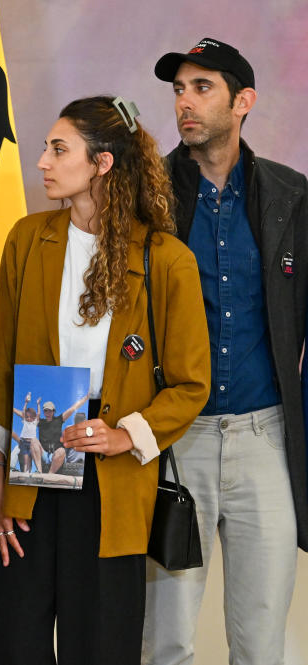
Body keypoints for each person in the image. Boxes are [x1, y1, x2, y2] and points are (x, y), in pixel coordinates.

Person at [0, 96, 210, 665]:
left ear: (102, 162)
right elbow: (2, 365)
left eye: (59, 149)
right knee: (15, 641)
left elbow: (190, 385)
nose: (43, 161)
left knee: (101, 642)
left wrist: (126, 433)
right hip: (32, 466)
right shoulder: (27, 240)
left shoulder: (168, 260)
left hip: (114, 481)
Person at [144, 38, 308, 665]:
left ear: (244, 101)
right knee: (167, 640)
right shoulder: (146, 195)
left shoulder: (290, 196)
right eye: (178, 89)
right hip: (174, 442)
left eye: (201, 87)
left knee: (262, 642)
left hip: (266, 441)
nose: (184, 102)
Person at [35, 396, 86, 474]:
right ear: (43, 412)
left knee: (62, 450)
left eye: (50, 411)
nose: (48, 413)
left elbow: (73, 408)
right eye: (46, 411)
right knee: (33, 441)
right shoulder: (40, 422)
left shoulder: (58, 420)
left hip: (56, 454)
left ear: (54, 411)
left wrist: (87, 396)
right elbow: (25, 416)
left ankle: (49, 475)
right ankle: (39, 472)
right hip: (43, 454)